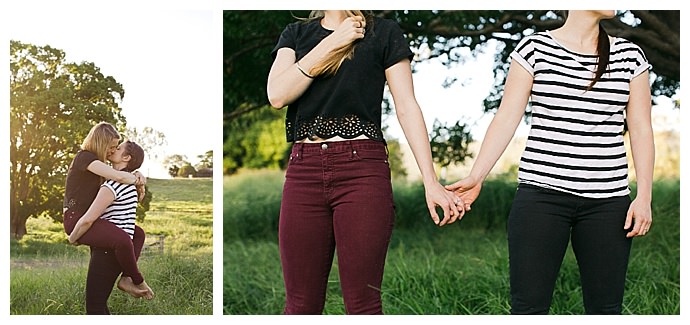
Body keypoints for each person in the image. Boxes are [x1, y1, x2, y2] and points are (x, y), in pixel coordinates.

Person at [445, 10, 654, 314]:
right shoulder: (534, 49)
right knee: (528, 309)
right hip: (541, 198)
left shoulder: (629, 56)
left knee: (606, 310)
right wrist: (477, 176)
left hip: (608, 204)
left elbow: (641, 129)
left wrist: (644, 197)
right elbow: (506, 118)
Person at [267, 10, 463, 315]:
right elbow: (278, 95)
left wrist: (430, 180)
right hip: (303, 173)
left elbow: (407, 106)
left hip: (362, 172)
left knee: (363, 306)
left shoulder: (384, 32)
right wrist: (334, 42)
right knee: (300, 306)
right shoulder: (295, 34)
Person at [62, 122, 149, 314]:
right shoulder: (85, 158)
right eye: (111, 146)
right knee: (122, 239)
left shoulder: (100, 166)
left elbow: (118, 176)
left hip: (90, 218)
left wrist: (136, 172)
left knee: (138, 233)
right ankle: (135, 279)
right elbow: (119, 177)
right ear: (101, 142)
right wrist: (137, 178)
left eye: (116, 147)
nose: (112, 151)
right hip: (76, 218)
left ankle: (127, 277)